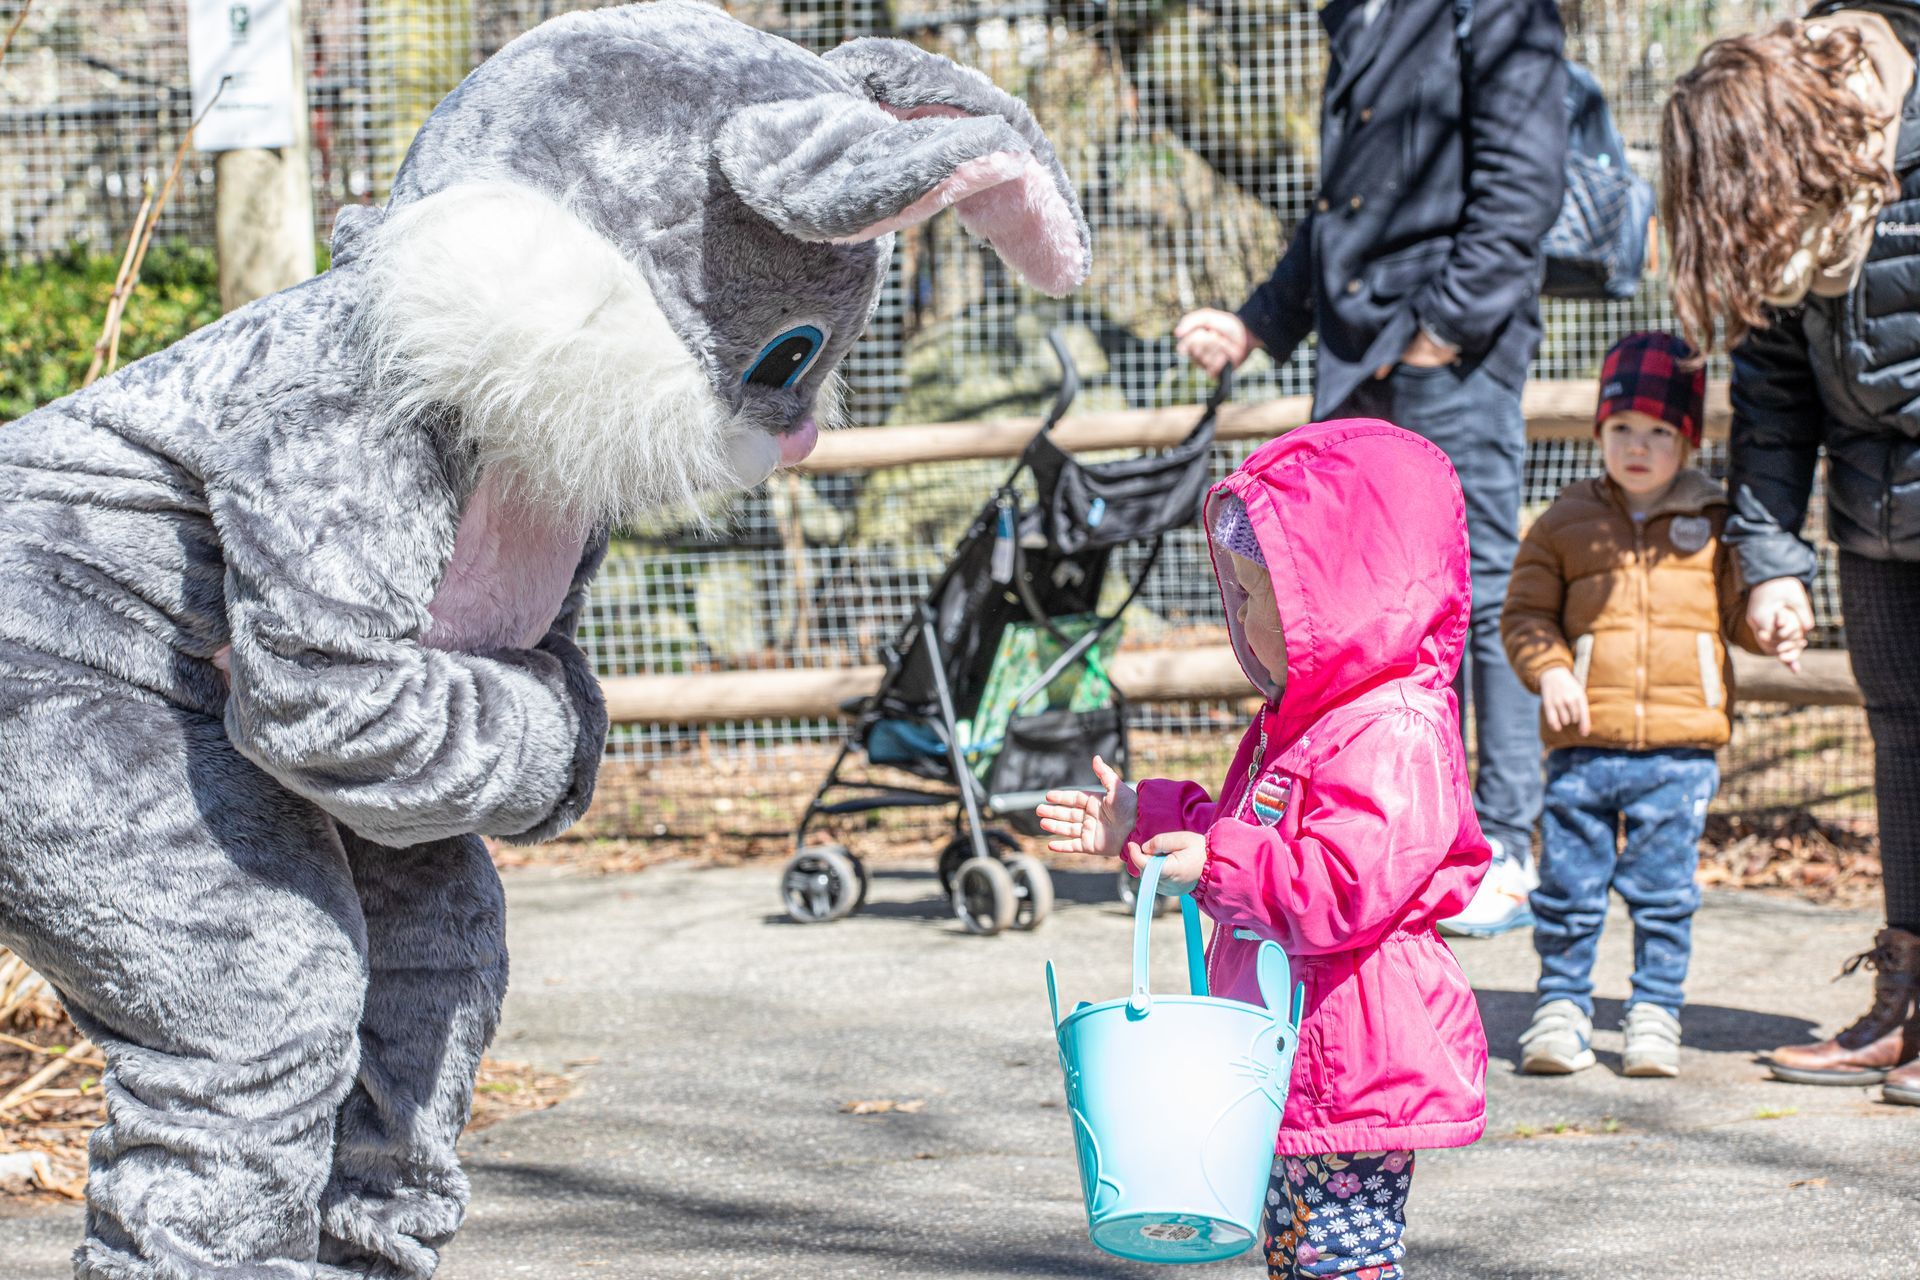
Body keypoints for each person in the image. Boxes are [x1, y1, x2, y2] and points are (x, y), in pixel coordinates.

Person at [1039, 421, 1489, 1280]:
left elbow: (1339, 885)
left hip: (1354, 1057)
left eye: (1260, 597)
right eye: (1235, 591)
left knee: (1340, 1264)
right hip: (1287, 1058)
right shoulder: (1299, 726)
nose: (1238, 615)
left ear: (1344, 594)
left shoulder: (1394, 729)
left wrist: (1217, 868)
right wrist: (1146, 818)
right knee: (1291, 1258)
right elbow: (1245, 834)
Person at [1173, 0, 1570, 938]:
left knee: (1474, 597)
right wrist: (1258, 323)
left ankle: (1503, 846)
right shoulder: (1354, 15)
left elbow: (1523, 184)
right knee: (1348, 616)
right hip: (1357, 368)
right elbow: (1338, 211)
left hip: (1448, 363)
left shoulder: (1496, 12)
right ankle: (1366, 841)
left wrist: (1442, 330)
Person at [1662, 5, 1920, 1106]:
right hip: (1876, 514)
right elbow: (1771, 403)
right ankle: (1907, 1001)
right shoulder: (1784, 215)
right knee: (1902, 739)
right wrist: (1770, 560)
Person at [1500, 332, 1784, 1078]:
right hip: (1581, 745)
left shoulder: (1717, 524)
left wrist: (1766, 623)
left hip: (1680, 753)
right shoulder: (1564, 520)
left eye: (1660, 432)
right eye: (1622, 427)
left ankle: (1655, 1012)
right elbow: (1524, 614)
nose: (1638, 445)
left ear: (1686, 442)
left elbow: (1735, 616)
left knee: (1664, 895)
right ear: (1599, 431)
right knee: (1567, 887)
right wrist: (1553, 669)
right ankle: (1561, 1009)